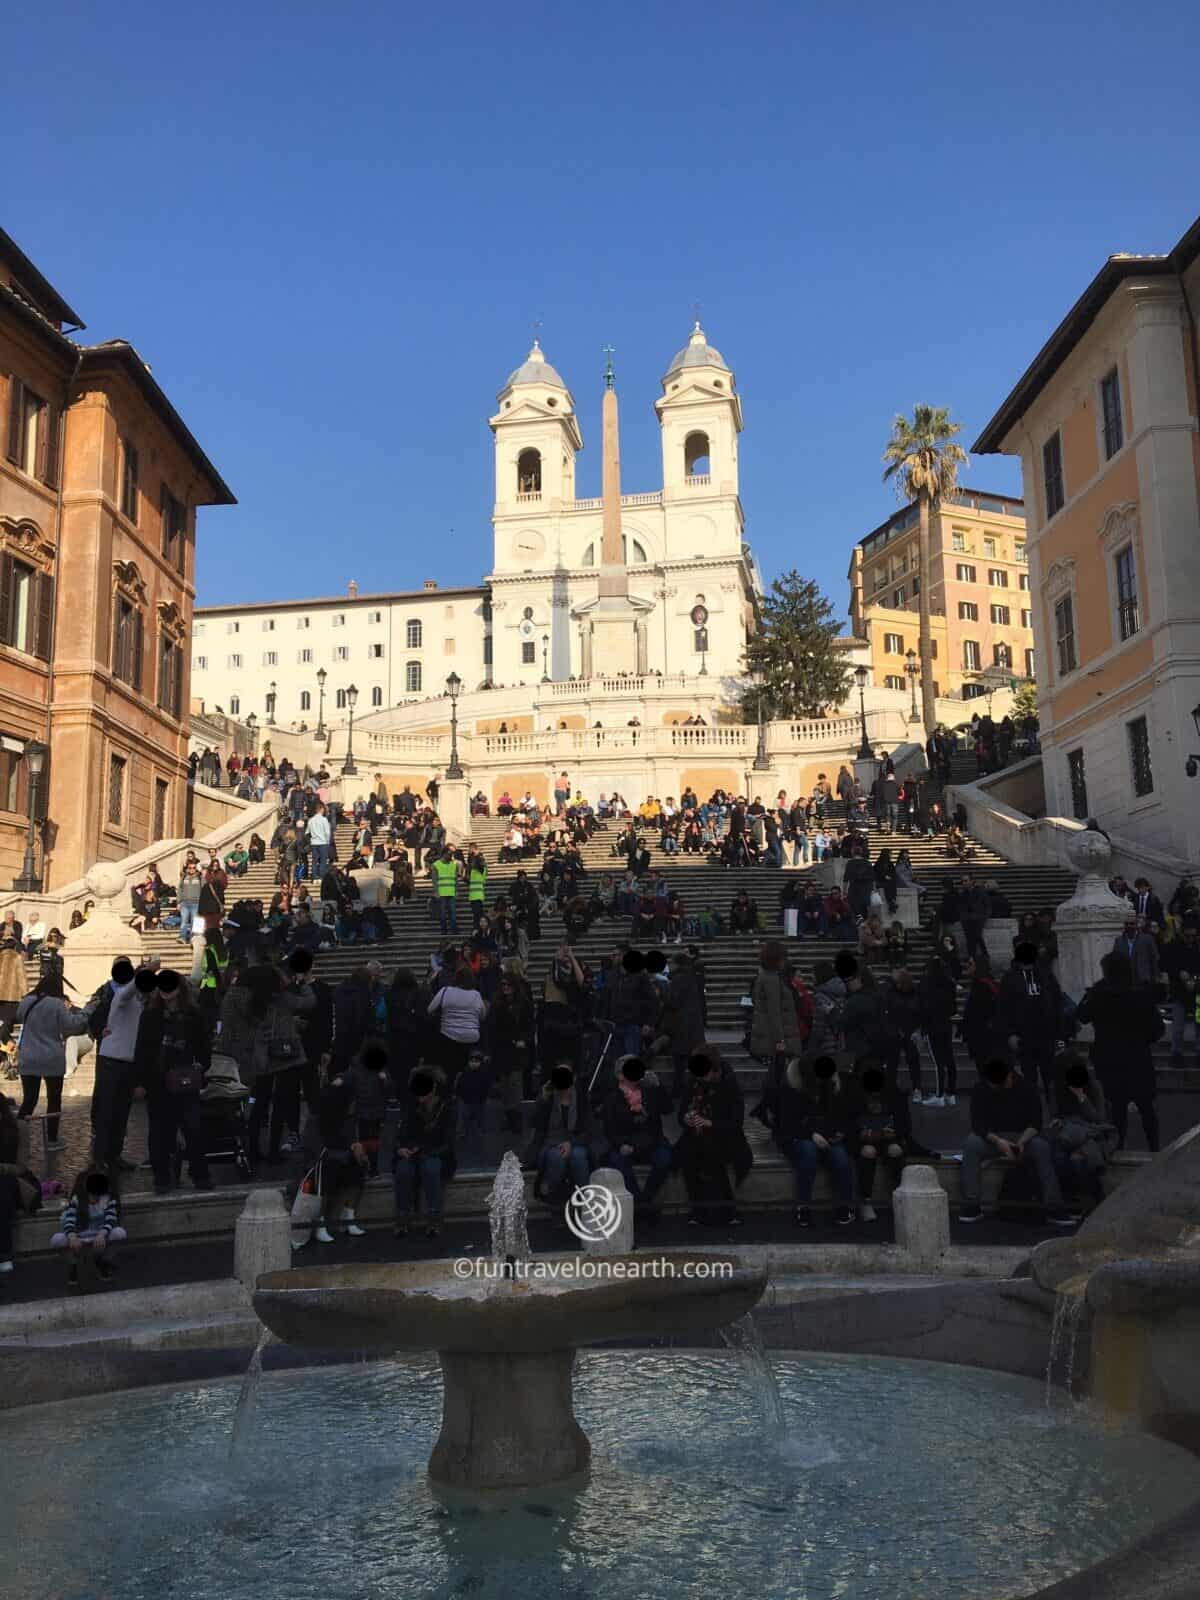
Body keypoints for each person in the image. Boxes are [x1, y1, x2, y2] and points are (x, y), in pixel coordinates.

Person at [958, 1058, 1074, 1226]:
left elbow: (1036, 1123)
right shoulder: (981, 1088)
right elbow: (978, 1125)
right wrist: (999, 1142)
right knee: (971, 1144)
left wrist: (1020, 1143)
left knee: (1042, 1148)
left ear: (1010, 1077)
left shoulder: (1028, 1088)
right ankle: (971, 1204)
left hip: (1023, 1137)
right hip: (993, 1138)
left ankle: (1054, 1206)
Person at [134, 969, 213, 1196]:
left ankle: (200, 1175)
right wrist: (139, 1081)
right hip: (157, 1083)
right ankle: (162, 1178)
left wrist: (201, 1066)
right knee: (160, 1133)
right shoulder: (149, 1016)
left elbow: (204, 1047)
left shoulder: (193, 1015)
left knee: (194, 1130)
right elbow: (141, 1050)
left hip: (185, 1081)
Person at [1076, 949, 1164, 1152]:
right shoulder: (1140, 993)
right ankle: (1155, 1148)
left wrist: (1088, 995)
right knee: (1146, 1108)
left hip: (1109, 1057)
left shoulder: (1098, 993)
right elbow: (1157, 1029)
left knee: (1117, 1108)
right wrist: (1143, 1040)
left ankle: (1119, 1147)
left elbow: (1082, 1016)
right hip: (1137, 1056)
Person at [675, 1045, 752, 1226]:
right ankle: (698, 1210)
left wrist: (711, 1123)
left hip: (726, 1136)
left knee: (712, 1153)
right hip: (696, 1134)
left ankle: (727, 1210)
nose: (701, 1077)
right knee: (687, 1154)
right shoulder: (693, 1081)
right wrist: (687, 1118)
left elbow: (736, 1121)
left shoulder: (729, 1083)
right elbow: (680, 1114)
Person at [776, 1055, 856, 1227]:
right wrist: (812, 1134)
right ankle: (803, 1206)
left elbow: (841, 1115)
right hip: (796, 1136)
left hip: (825, 1134)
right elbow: (787, 1123)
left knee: (841, 1157)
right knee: (809, 1152)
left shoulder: (830, 1084)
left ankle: (844, 1205)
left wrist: (840, 1132)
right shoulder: (791, 1087)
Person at [15, 973, 91, 1147]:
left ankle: (16, 1137)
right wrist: (86, 1014)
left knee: (29, 1100)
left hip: (29, 1058)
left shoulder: (27, 1001)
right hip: (51, 1058)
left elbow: (19, 1017)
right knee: (54, 1100)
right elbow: (70, 1026)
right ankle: (52, 1139)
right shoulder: (57, 1004)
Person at [393, 1067, 457, 1237]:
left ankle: (434, 1219)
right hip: (412, 1154)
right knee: (403, 1171)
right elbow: (400, 1135)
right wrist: (401, 1148)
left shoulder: (447, 1108)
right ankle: (402, 1219)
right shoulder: (410, 1107)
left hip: (436, 1154)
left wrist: (428, 1151)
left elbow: (449, 1143)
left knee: (431, 1168)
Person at [1048, 1054, 1116, 1213]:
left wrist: (1081, 1097)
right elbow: (1054, 1115)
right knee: (1058, 1157)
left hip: (1092, 1133)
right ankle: (1071, 1198)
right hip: (1067, 1133)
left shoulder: (1094, 1085)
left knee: (1078, 1159)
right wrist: (1056, 1122)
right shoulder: (1055, 1086)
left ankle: (1093, 1198)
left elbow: (1100, 1120)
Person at [995, 940, 1063, 1096]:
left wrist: (1059, 1033)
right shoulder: (1010, 978)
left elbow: (1057, 1003)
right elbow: (1003, 1009)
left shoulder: (1046, 975)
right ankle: (1034, 1115)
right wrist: (1010, 1033)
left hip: (1046, 1034)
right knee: (1029, 1079)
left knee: (1050, 1079)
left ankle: (1054, 1114)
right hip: (1023, 1036)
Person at [526, 1063, 593, 1205]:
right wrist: (543, 1099)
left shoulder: (581, 1097)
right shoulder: (549, 1096)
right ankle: (553, 1198)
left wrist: (571, 1143)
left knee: (578, 1156)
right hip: (551, 1142)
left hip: (576, 1142)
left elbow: (588, 1129)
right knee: (557, 1157)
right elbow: (535, 1123)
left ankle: (585, 1200)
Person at [51, 1168, 127, 1285]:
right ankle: (73, 1264)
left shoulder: (107, 1199)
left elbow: (111, 1219)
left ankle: (102, 1261)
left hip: (99, 1235)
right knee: (57, 1240)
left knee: (120, 1233)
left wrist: (102, 1234)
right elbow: (69, 1221)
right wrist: (72, 1237)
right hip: (79, 1236)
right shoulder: (77, 1200)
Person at [854, 1064, 908, 1222]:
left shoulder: (894, 1095)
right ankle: (866, 1200)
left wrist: (894, 1132)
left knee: (895, 1150)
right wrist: (863, 1134)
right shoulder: (856, 1096)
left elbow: (905, 1124)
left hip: (888, 1138)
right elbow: (849, 1123)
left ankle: (898, 1196)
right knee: (868, 1152)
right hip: (864, 1140)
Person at [427, 964, 487, 1079]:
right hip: (471, 1037)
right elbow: (482, 1016)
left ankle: (448, 1093)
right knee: (468, 1071)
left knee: (449, 1070)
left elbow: (430, 1009)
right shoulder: (476, 995)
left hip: (448, 1035)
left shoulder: (445, 991)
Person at [917, 954, 958, 1107]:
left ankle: (940, 1095)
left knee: (938, 1062)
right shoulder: (949, 983)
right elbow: (953, 1008)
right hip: (946, 1025)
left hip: (932, 1027)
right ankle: (951, 1094)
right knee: (949, 1059)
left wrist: (923, 1025)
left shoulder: (926, 984)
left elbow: (922, 1008)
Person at [1161, 924, 1200, 1061]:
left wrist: (1194, 979)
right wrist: (1178, 973)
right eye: (1187, 936)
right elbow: (1168, 966)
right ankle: (1176, 1054)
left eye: (1193, 936)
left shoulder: (1197, 947)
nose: (1190, 939)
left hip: (1197, 994)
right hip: (1179, 994)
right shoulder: (1174, 947)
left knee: (1199, 1026)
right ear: (1182, 934)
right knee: (1178, 1027)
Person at [1112, 912, 1159, 988]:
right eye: (1126, 924)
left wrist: (1156, 978)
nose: (1129, 926)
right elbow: (1115, 961)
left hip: (1144, 980)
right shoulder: (1119, 941)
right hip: (1126, 981)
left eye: (1131, 924)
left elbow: (1154, 959)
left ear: (1137, 925)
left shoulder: (1147, 938)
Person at [431, 845, 460, 935]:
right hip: (441, 893)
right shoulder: (436, 865)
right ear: (444, 854)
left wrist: (456, 891)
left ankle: (454, 930)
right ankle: (444, 930)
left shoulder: (454, 864)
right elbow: (434, 880)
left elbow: (455, 879)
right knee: (442, 913)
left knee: (453, 912)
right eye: (449, 854)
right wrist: (436, 892)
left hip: (451, 892)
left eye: (451, 854)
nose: (451, 856)